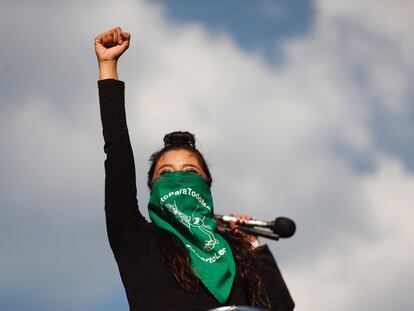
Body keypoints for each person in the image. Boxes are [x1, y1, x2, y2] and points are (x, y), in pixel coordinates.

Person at [95, 27, 295, 311]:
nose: (178, 179)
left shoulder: (234, 254)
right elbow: (117, 156)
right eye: (166, 173)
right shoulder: (135, 239)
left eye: (190, 172)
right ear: (151, 187)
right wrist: (108, 66)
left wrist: (253, 246)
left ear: (207, 186)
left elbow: (281, 309)